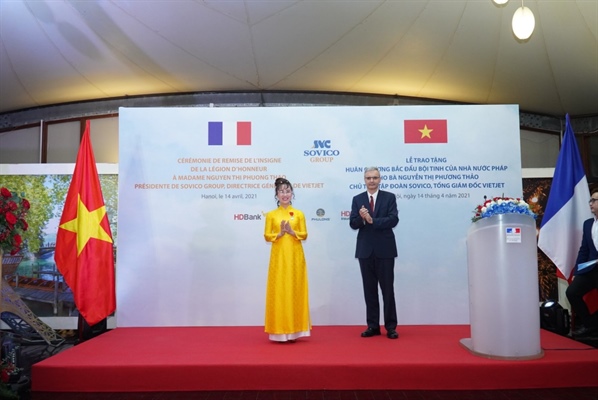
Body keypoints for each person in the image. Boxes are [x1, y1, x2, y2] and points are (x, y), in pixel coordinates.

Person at [350, 167, 399, 339]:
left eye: (375, 178)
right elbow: (353, 224)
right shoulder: (358, 199)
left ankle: (391, 327)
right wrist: (362, 219)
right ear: (364, 179)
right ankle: (373, 326)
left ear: (380, 179)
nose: (371, 181)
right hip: (365, 251)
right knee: (369, 291)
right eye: (368, 178)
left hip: (385, 250)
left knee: (387, 290)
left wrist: (373, 220)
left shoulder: (389, 197)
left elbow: (393, 219)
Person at [263, 177, 311, 342]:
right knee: (279, 290)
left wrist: (292, 232)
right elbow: (266, 235)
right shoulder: (271, 215)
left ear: (292, 194)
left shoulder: (299, 214)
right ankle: (279, 330)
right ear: (277, 195)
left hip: (295, 257)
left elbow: (304, 234)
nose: (285, 194)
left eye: (288, 191)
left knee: (294, 289)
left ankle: (295, 330)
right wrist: (279, 234)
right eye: (281, 192)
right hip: (278, 258)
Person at [567, 188, 598, 339]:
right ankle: (590, 325)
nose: (590, 203)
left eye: (594, 200)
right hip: (591, 269)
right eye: (590, 200)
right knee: (572, 293)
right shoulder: (588, 224)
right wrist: (577, 272)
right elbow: (584, 250)